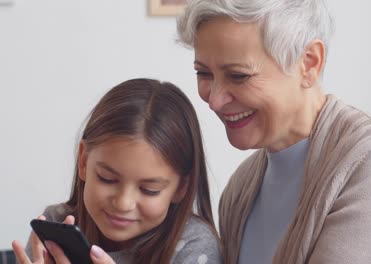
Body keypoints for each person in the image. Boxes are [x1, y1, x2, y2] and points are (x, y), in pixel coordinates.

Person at [177, 0, 371, 263]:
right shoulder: (238, 190)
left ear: (308, 63)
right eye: (204, 74)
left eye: (238, 76)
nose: (214, 100)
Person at [12, 78, 222, 264]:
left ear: (181, 187)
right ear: (84, 161)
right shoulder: (54, 224)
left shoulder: (193, 246)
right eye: (107, 179)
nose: (123, 203)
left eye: (149, 190)